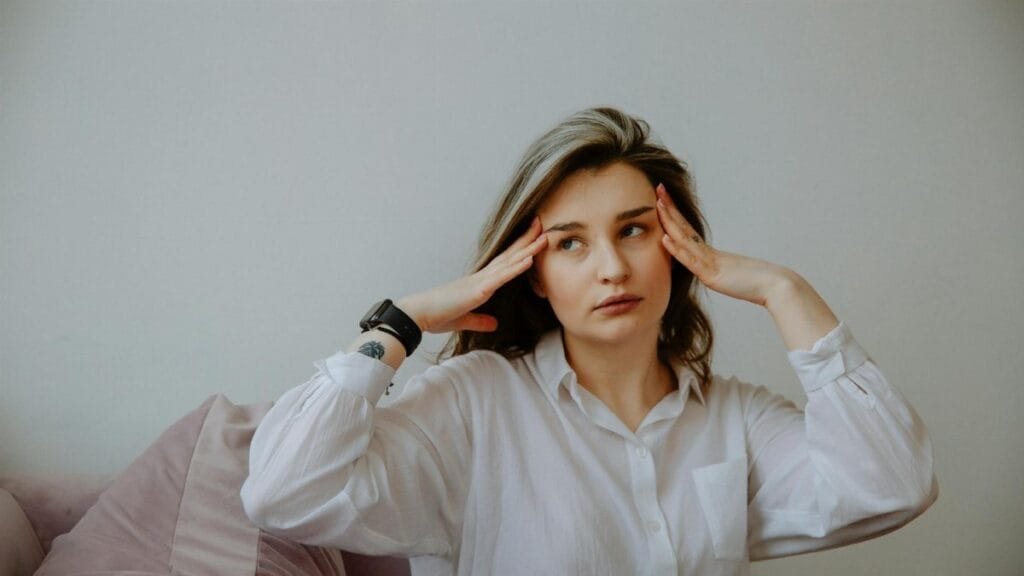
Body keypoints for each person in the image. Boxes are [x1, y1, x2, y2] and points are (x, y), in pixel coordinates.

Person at [241, 107, 937, 575]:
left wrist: (786, 290)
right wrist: (401, 323)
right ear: (533, 275)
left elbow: (892, 488)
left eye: (634, 229)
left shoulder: (739, 419)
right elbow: (282, 494)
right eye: (570, 243)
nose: (612, 267)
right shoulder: (477, 404)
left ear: (678, 245)